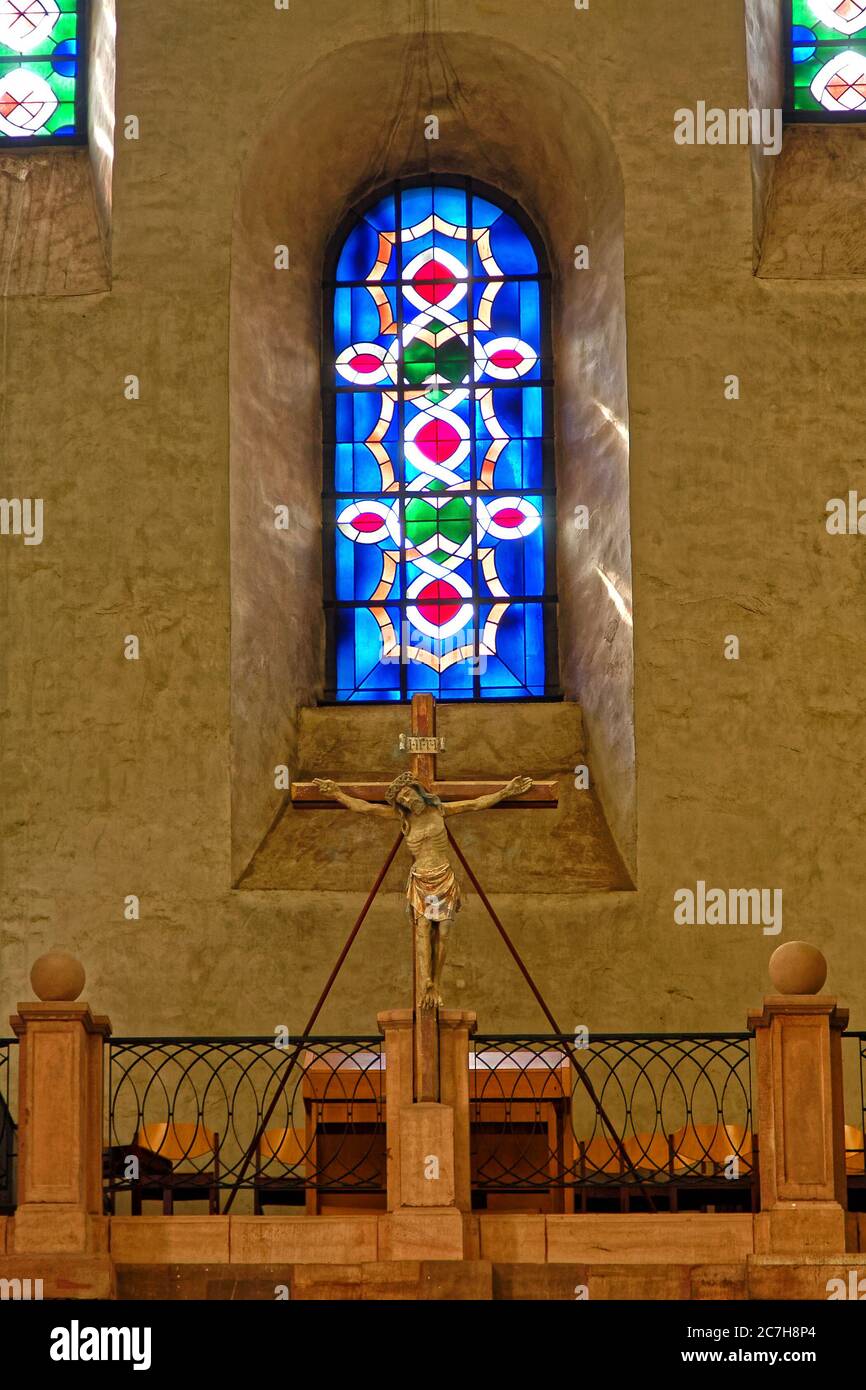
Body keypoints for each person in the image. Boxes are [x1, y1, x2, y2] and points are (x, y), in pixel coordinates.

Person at [312, 769, 532, 1010]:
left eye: (408, 794)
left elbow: (476, 803)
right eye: (402, 800)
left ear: (418, 791)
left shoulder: (440, 810)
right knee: (423, 929)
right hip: (421, 879)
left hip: (443, 877)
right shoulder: (403, 821)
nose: (407, 800)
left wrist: (506, 792)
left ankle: (436, 983)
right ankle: (426, 980)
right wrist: (337, 793)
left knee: (444, 932)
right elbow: (365, 808)